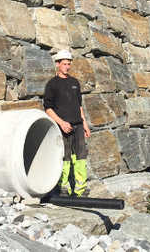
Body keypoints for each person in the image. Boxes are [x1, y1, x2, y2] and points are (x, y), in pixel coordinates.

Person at [43, 49, 91, 197]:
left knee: (81, 157)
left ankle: (80, 189)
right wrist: (62, 123)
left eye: (69, 64)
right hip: (62, 128)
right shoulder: (52, 84)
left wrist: (85, 124)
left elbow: (79, 105)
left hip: (77, 126)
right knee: (65, 158)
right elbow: (48, 108)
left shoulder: (75, 82)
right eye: (64, 64)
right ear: (58, 64)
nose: (67, 67)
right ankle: (64, 188)